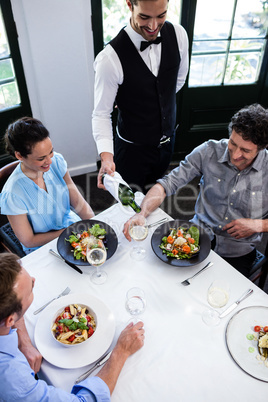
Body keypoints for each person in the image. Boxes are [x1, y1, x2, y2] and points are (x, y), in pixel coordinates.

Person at [123, 103, 268, 277]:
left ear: (262, 148)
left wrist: (259, 225)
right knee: (160, 276)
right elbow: (166, 184)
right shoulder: (209, 151)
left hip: (237, 251)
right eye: (233, 143)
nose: (236, 155)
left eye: (245, 150)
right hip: (196, 235)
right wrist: (142, 213)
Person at [0, 252, 145, 401]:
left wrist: (23, 342)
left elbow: (10, 306)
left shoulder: (5, 314)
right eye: (31, 286)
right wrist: (121, 351)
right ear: (10, 320)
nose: (34, 279)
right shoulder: (13, 380)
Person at [92, 0, 189, 192]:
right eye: (144, 17)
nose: (153, 26)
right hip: (131, 151)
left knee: (154, 194)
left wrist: (149, 101)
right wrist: (106, 157)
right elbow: (101, 114)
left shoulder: (179, 35)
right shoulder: (109, 59)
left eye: (161, 15)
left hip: (167, 143)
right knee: (129, 205)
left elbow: (178, 81)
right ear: (129, 4)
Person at [0, 117, 95, 254]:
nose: (49, 161)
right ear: (19, 155)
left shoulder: (56, 161)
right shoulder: (12, 193)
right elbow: (29, 240)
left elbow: (76, 200)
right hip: (43, 245)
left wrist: (94, 222)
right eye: (41, 158)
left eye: (50, 152)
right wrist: (68, 232)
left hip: (71, 226)